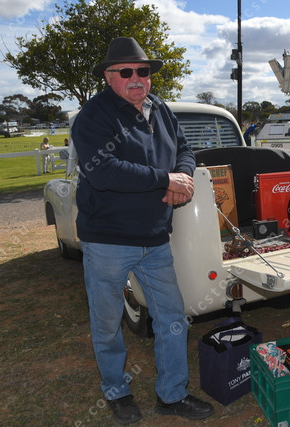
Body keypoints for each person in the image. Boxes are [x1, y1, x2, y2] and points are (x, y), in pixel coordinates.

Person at [71, 36, 214, 424]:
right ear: (108, 76)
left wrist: (183, 177)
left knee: (172, 318)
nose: (136, 78)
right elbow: (103, 172)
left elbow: (184, 149)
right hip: (108, 241)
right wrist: (163, 179)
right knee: (107, 324)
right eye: (126, 71)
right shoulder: (93, 116)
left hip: (154, 238)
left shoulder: (160, 108)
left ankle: (172, 394)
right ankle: (117, 391)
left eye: (143, 70)